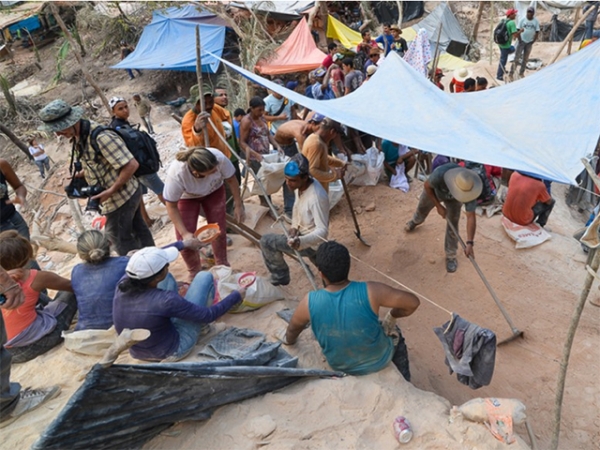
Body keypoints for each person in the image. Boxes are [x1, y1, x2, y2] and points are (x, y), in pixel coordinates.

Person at [279, 241, 420, 379]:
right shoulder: (372, 291)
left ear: (321, 274)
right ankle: (405, 378)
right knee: (396, 333)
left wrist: (289, 341)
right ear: (348, 267)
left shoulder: (309, 302)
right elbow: (413, 303)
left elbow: (292, 330)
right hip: (379, 360)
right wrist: (392, 315)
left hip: (340, 366)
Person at [39, 99, 154, 256]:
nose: (58, 133)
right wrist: (83, 173)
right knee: (139, 231)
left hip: (120, 198)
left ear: (72, 121)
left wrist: (110, 191)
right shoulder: (80, 137)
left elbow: (131, 165)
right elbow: (99, 162)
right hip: (121, 195)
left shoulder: (101, 137)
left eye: (60, 129)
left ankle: (142, 274)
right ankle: (156, 265)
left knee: (120, 241)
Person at [113, 246, 244, 362]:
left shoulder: (123, 283)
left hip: (138, 352)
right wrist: (236, 296)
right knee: (204, 277)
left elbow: (154, 275)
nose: (167, 266)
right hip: (171, 351)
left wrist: (183, 244)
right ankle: (204, 330)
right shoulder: (166, 300)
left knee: (169, 279)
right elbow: (208, 315)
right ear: (157, 277)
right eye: (166, 265)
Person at [71, 230, 204, 331]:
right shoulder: (124, 263)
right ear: (109, 244)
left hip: (85, 330)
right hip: (119, 327)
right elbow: (154, 257)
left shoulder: (76, 271)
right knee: (163, 277)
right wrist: (182, 244)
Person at [164, 147, 244, 280]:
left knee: (219, 230)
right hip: (187, 198)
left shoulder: (219, 159)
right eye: (211, 172)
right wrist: (185, 233)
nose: (216, 172)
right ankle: (194, 271)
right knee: (186, 240)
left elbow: (232, 180)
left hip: (214, 191)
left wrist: (238, 204)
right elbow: (171, 206)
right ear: (196, 173)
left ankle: (222, 264)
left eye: (215, 169)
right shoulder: (177, 174)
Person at [0, 230, 77, 363]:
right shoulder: (33, 277)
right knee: (69, 293)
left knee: (33, 295)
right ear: (26, 255)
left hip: (7, 352)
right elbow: (72, 286)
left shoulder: (4, 282)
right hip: (33, 345)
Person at [0, 266, 60, 427]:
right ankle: (6, 406)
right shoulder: (34, 276)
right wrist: (5, 280)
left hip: (13, 349)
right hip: (26, 347)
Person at [260, 154, 329, 286]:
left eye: (292, 180)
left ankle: (280, 276)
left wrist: (300, 241)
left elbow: (323, 231)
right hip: (302, 236)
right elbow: (297, 207)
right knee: (326, 271)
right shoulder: (301, 186)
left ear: (305, 177)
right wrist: (294, 227)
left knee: (266, 241)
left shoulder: (316, 197)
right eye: (286, 179)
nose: (288, 183)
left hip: (311, 242)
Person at [405, 163, 484, 273]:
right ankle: (416, 220)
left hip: (454, 201)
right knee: (422, 208)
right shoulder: (440, 174)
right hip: (435, 192)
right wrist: (438, 206)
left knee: (453, 223)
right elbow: (427, 186)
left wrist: (470, 243)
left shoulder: (469, 187)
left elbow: (471, 217)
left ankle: (451, 255)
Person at [108, 96, 165, 226]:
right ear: (113, 112)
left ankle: (147, 220)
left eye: (126, 107)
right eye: (120, 109)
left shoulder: (120, 125)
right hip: (141, 168)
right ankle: (178, 211)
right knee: (161, 189)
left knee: (139, 195)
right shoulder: (117, 129)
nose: (125, 110)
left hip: (134, 168)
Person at [274, 115, 324, 219]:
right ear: (313, 124)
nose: (320, 131)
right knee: (291, 178)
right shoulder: (300, 133)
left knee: (297, 177)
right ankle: (289, 210)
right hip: (282, 147)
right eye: (319, 127)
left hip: (290, 143)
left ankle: (297, 206)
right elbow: (304, 158)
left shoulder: (307, 127)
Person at [239, 96, 283, 207]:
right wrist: (255, 154)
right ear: (252, 108)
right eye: (259, 110)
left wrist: (277, 145)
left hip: (266, 155)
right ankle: (266, 205)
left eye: (263, 109)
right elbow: (242, 143)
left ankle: (268, 204)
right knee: (262, 182)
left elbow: (268, 134)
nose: (262, 112)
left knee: (267, 180)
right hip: (255, 158)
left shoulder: (262, 118)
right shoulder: (246, 121)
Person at [301, 118, 345, 193]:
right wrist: (335, 176)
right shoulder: (316, 144)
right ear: (332, 132)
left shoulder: (318, 140)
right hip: (314, 191)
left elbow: (323, 157)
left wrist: (341, 163)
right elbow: (312, 171)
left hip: (319, 188)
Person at [0, 159, 30, 239]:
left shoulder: (2, 164)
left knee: (25, 251)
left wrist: (20, 197)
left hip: (14, 222)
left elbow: (19, 187)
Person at [510, 7, 540, 79]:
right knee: (517, 57)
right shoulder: (522, 20)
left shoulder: (535, 21)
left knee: (525, 59)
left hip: (529, 42)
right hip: (522, 41)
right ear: (526, 12)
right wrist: (519, 39)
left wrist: (533, 41)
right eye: (528, 12)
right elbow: (517, 31)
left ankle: (521, 73)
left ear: (533, 13)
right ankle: (511, 73)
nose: (529, 14)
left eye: (531, 12)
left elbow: (537, 31)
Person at [496, 9, 520, 81]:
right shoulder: (512, 23)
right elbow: (515, 35)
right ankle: (499, 75)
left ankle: (503, 70)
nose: (515, 15)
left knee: (504, 56)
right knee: (503, 59)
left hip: (500, 43)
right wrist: (520, 31)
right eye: (514, 14)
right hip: (506, 45)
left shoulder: (503, 20)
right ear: (510, 15)